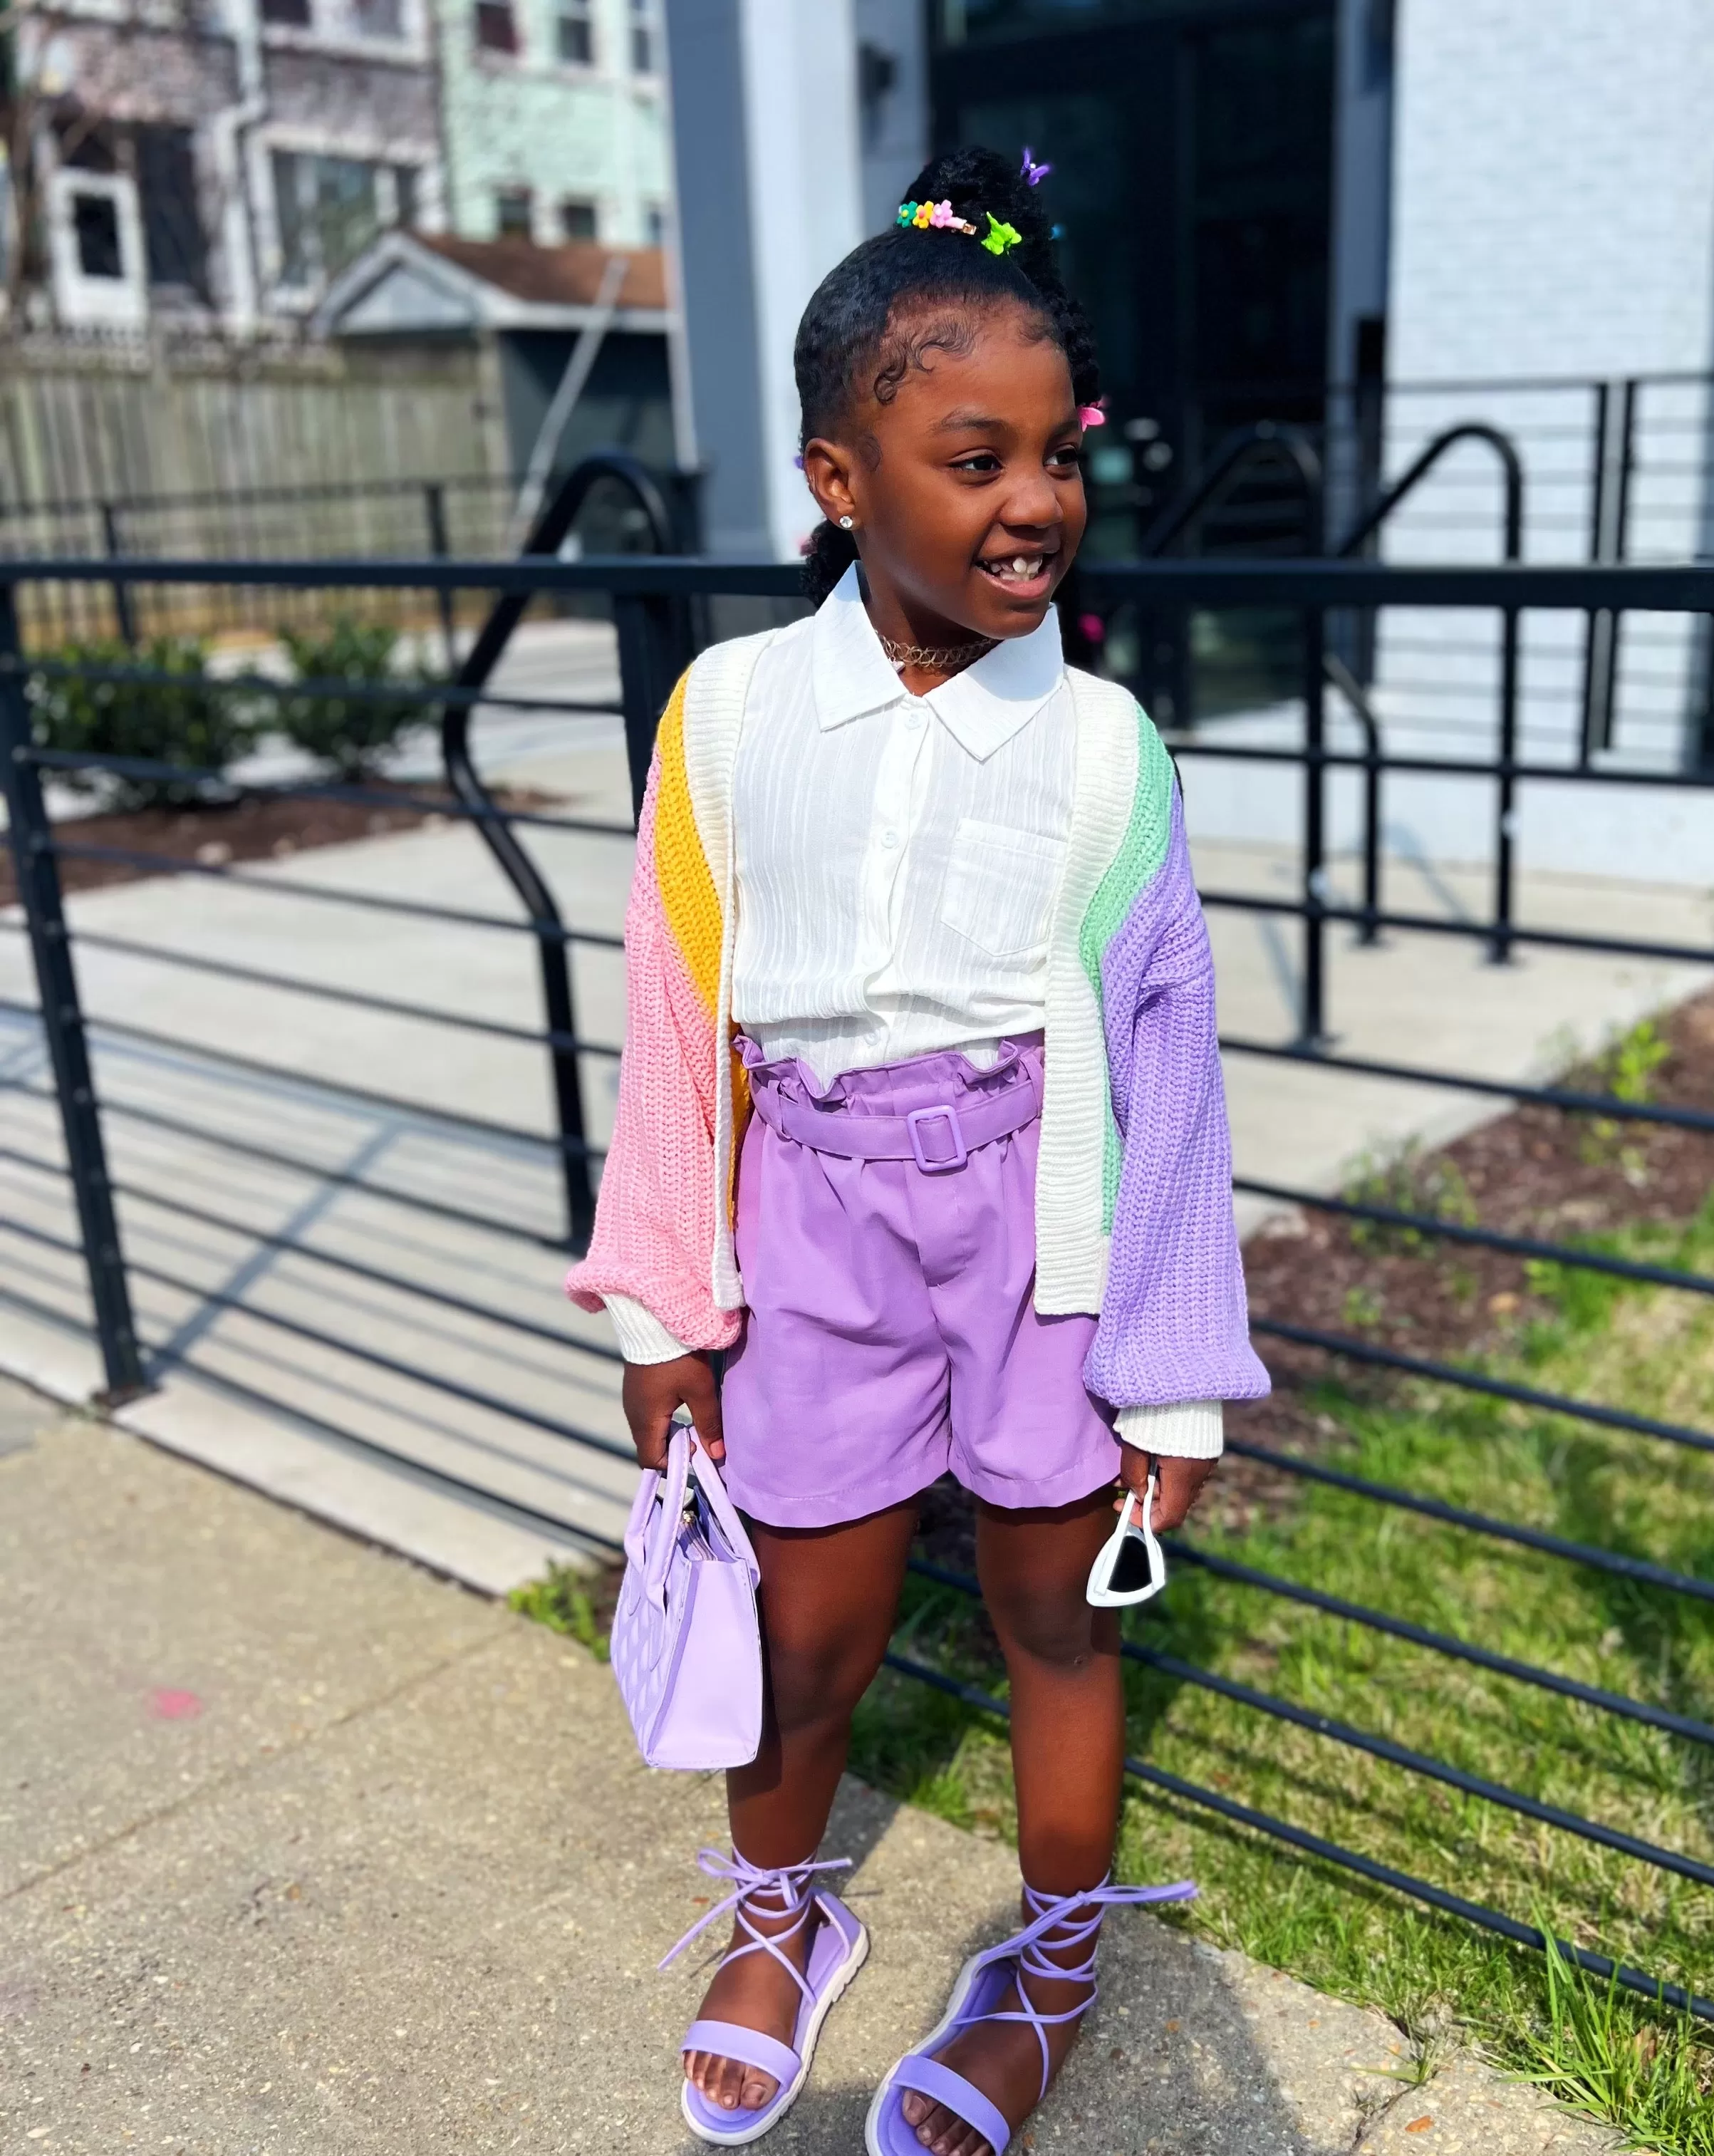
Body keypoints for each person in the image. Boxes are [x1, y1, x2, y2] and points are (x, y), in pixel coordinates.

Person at [566, 145, 1267, 2156]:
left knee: (1057, 1614)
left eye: (1060, 455)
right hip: (812, 1222)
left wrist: (1177, 1374)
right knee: (812, 1623)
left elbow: (1167, 1067)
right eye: (976, 458)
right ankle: (782, 1914)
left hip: (1040, 1221)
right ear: (840, 480)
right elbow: (680, 1029)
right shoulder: (721, 721)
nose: (1036, 500)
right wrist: (659, 1311)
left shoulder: (1106, 747)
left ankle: (1057, 1956)